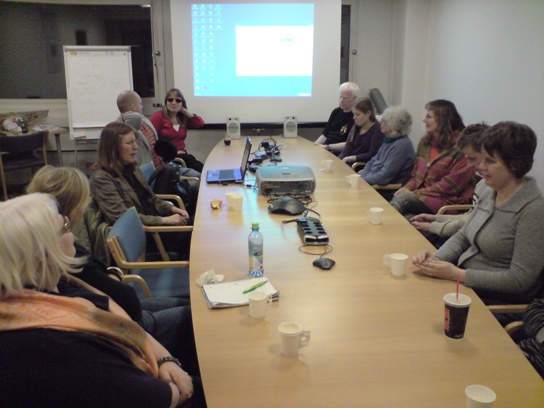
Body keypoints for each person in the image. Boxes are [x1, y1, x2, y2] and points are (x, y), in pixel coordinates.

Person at [0, 193, 201, 407]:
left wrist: (165, 359)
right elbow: (149, 397)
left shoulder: (50, 284)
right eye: (65, 227)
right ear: (44, 253)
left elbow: (117, 314)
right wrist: (182, 386)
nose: (73, 235)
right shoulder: (52, 343)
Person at [27, 165, 200, 377]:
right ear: (73, 207)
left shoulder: (61, 243)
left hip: (129, 315)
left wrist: (113, 275)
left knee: (194, 306)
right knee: (196, 317)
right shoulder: (62, 254)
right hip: (130, 326)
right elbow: (117, 303)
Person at [412, 121, 544, 309]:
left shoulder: (533, 210)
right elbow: (463, 236)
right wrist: (436, 260)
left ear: (515, 164)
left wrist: (457, 274)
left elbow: (519, 280)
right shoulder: (491, 191)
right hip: (468, 284)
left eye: (490, 161)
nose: (481, 167)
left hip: (496, 302)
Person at [90, 121, 191, 258]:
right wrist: (164, 221)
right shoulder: (102, 178)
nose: (136, 147)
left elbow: (151, 198)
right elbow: (124, 219)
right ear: (113, 148)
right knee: (193, 237)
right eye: (129, 143)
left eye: (135, 142)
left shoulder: (131, 167)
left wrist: (171, 209)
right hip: (144, 233)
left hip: (153, 223)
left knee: (197, 225)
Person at [389, 99, 476, 219]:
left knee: (403, 200)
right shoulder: (425, 143)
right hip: (420, 198)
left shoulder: (461, 148)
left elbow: (450, 186)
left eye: (429, 117)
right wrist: (407, 187)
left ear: (443, 120)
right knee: (406, 218)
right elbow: (415, 176)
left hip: (446, 201)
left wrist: (414, 193)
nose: (424, 120)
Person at [409, 123, 489, 248]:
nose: (469, 164)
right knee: (410, 220)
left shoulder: (494, 188)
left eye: (472, 159)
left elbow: (469, 224)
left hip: (449, 206)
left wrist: (434, 225)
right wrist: (435, 218)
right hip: (460, 234)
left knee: (406, 204)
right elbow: (470, 218)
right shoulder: (482, 184)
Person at [360, 106, 415, 200]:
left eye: (384, 121)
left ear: (393, 125)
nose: (380, 123)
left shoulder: (402, 145)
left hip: (386, 191)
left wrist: (362, 180)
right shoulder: (389, 140)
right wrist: (362, 177)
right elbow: (372, 161)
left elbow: (384, 176)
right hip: (373, 184)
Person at [150, 88, 205, 173]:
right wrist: (172, 152)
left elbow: (200, 123)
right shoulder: (158, 116)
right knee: (198, 170)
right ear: (166, 102)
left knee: (198, 166)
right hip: (167, 157)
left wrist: (184, 110)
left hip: (182, 156)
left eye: (178, 100)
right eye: (170, 100)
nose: (174, 103)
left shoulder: (182, 118)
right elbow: (151, 139)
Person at [314, 82, 359, 154]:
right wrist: (314, 146)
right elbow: (325, 135)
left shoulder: (356, 117)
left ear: (354, 98)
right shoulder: (336, 112)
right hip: (326, 149)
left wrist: (327, 147)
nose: (341, 100)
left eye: (345, 98)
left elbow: (349, 144)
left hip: (338, 152)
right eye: (340, 97)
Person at [338, 97, 384, 166]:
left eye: (357, 114)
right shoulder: (355, 127)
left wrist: (351, 158)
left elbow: (372, 154)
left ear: (368, 113)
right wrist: (338, 161)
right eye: (354, 114)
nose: (354, 117)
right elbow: (346, 150)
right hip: (348, 163)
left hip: (360, 166)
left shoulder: (377, 130)